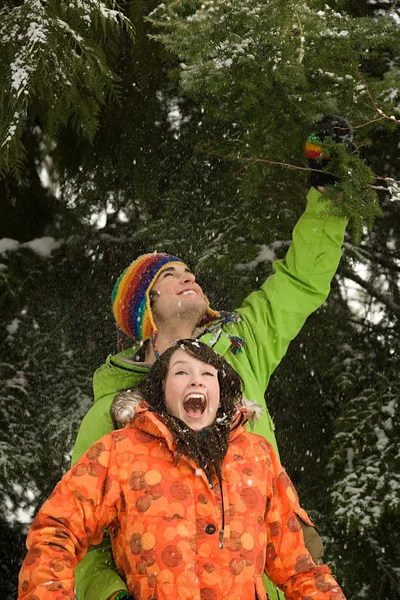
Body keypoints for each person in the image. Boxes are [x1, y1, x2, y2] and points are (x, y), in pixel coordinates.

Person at [72, 117, 353, 600]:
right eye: (169, 275)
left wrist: (329, 189)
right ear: (145, 310)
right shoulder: (111, 410)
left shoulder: (242, 348)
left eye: (190, 270)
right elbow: (82, 540)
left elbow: (302, 280)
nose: (189, 277)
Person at [18, 340, 346, 600]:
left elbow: (299, 568)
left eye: (208, 374)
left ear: (221, 391)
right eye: (181, 372)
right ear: (161, 390)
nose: (196, 380)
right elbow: (56, 530)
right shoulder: (122, 451)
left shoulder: (256, 456)